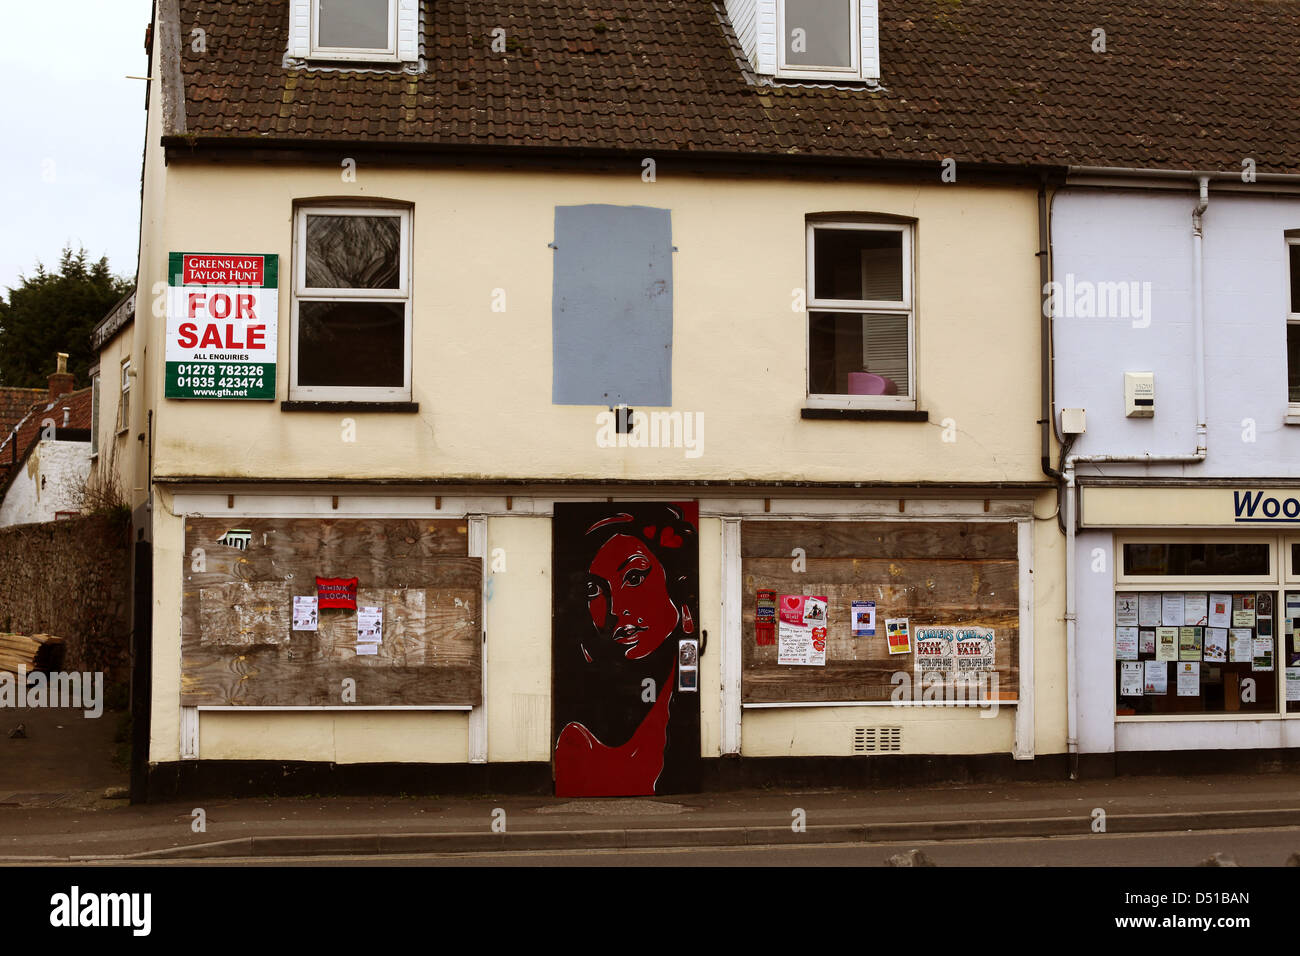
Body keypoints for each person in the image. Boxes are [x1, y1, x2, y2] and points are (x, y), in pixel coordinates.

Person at [553, 503, 698, 796]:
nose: (615, 609)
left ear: (678, 589)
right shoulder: (580, 739)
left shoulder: (684, 696)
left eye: (634, 578)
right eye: (594, 590)